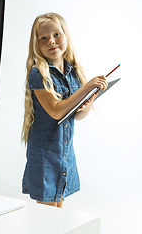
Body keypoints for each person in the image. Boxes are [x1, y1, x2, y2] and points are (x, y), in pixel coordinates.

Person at [21, 13, 108, 208]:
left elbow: (77, 115)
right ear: (36, 44)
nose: (51, 41)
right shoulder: (39, 73)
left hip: (64, 152)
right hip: (45, 155)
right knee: (47, 215)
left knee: (58, 213)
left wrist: (88, 102)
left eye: (56, 34)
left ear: (66, 36)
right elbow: (57, 111)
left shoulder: (73, 72)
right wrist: (87, 87)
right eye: (43, 38)